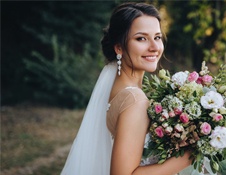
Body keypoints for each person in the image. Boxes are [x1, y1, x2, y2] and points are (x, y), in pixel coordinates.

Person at [61, 2, 194, 175]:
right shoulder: (135, 101)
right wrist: (188, 157)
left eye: (157, 37)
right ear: (119, 48)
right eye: (141, 38)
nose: (154, 47)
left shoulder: (119, 89)